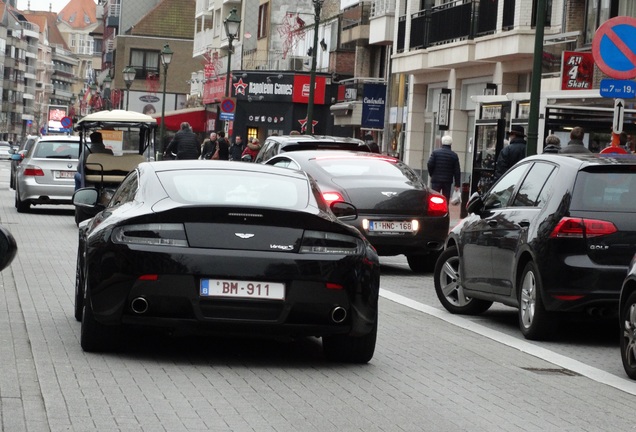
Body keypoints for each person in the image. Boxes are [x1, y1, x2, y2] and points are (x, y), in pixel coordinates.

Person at [427, 134, 461, 200]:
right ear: (451, 143)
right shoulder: (454, 155)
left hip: (436, 180)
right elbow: (457, 171)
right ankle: (445, 209)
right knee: (446, 198)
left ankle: (435, 210)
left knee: (434, 198)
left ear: (442, 142)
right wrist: (457, 184)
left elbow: (429, 164)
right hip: (447, 181)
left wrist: (432, 174)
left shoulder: (435, 153)